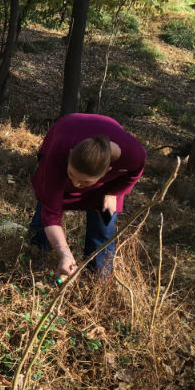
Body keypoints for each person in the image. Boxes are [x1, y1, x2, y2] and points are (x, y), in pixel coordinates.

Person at [29, 113, 146, 278]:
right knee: (46, 205)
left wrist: (114, 192)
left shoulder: (132, 154)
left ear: (108, 172)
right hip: (67, 130)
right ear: (69, 155)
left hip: (105, 187)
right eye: (70, 175)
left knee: (103, 228)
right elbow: (51, 213)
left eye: (84, 182)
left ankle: (97, 281)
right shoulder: (60, 151)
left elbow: (135, 172)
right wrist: (65, 253)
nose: (75, 184)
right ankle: (32, 266)